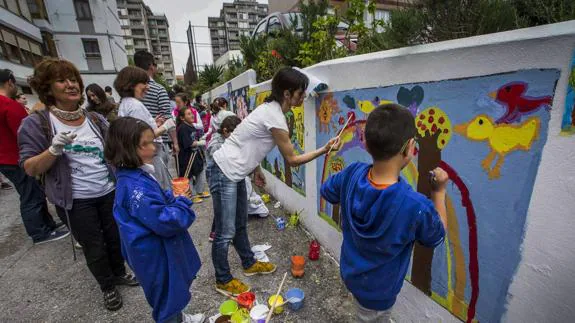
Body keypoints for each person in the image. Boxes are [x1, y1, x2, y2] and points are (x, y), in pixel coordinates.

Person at [209, 67, 342, 296]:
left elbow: (246, 142)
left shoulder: (269, 110)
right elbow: (292, 160)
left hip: (236, 172)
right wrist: (325, 148)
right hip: (224, 171)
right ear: (287, 94)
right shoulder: (275, 116)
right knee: (225, 231)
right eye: (301, 93)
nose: (304, 96)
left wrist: (255, 168)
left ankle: (249, 264)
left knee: (240, 224)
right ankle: (222, 279)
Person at [20, 59, 138, 311]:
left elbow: (114, 148)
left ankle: (119, 272)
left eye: (73, 79)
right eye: (62, 80)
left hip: (108, 192)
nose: (71, 85)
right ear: (48, 88)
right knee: (94, 246)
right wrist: (53, 150)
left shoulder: (94, 118)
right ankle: (107, 287)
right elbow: (30, 167)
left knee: (115, 237)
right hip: (76, 201)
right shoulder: (37, 123)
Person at [320, 104, 449, 323]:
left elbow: (327, 191)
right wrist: (439, 192)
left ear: (366, 144)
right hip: (379, 297)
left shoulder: (351, 174)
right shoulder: (415, 206)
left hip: (352, 277)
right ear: (409, 147)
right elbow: (437, 234)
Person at [105, 117, 204, 323]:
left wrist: (172, 197)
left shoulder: (135, 174)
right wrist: (182, 203)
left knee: (173, 291)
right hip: (154, 254)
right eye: (146, 144)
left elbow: (156, 201)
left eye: (152, 141)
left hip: (155, 249)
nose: (154, 147)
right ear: (128, 149)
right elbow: (165, 221)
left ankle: (180, 318)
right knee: (166, 297)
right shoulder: (135, 188)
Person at [0, 68, 66, 243]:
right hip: (16, 159)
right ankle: (39, 232)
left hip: (6, 159)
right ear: (10, 83)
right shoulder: (9, 105)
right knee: (31, 194)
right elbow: (26, 134)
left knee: (32, 192)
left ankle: (48, 224)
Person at [114, 66, 176, 190]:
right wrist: (166, 126)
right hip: (151, 157)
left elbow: (135, 132)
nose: (148, 87)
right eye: (144, 83)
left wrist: (153, 123)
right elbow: (144, 138)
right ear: (131, 84)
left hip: (141, 159)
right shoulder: (135, 105)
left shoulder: (126, 103)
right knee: (162, 191)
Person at [134, 50, 179, 158]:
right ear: (151, 66)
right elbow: (167, 118)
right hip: (157, 144)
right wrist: (175, 142)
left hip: (137, 145)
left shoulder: (131, 90)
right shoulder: (159, 89)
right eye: (155, 64)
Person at [176, 105, 205, 204]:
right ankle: (191, 195)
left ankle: (199, 191)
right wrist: (200, 143)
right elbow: (188, 143)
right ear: (182, 118)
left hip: (195, 154)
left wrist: (200, 140)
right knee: (188, 175)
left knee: (200, 170)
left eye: (191, 113)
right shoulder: (183, 128)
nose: (192, 115)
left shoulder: (191, 125)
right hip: (187, 156)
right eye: (189, 114)